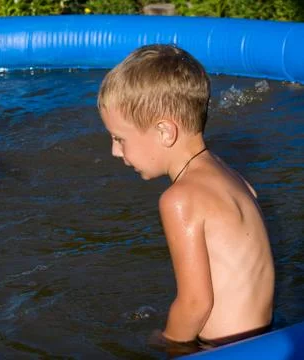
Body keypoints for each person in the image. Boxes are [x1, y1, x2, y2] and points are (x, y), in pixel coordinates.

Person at [97, 44, 275, 357]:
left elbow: (195, 303)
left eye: (119, 138)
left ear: (165, 132)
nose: (115, 151)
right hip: (266, 341)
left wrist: (167, 344)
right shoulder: (232, 176)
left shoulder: (179, 199)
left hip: (224, 350)